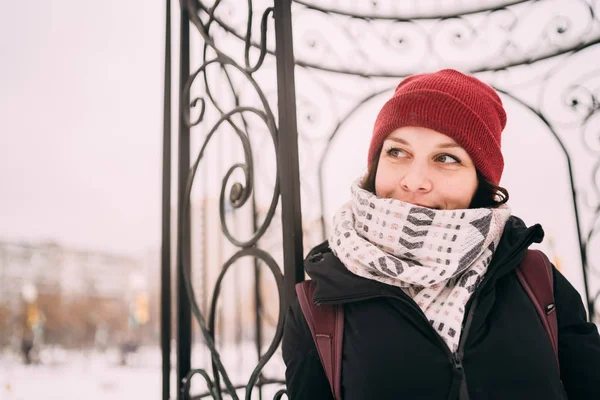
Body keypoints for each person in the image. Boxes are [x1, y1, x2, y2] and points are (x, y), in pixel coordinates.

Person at [282, 69, 600, 399]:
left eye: (446, 158)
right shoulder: (319, 304)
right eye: (397, 152)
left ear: (481, 182)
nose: (415, 180)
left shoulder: (536, 280)